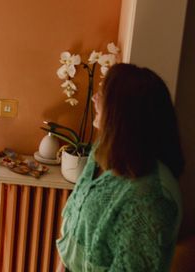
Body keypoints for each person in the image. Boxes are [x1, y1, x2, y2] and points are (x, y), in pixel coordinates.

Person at [56, 63, 184, 272]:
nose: (94, 99)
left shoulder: (150, 198)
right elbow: (71, 235)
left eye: (101, 94)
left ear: (122, 112)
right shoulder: (101, 151)